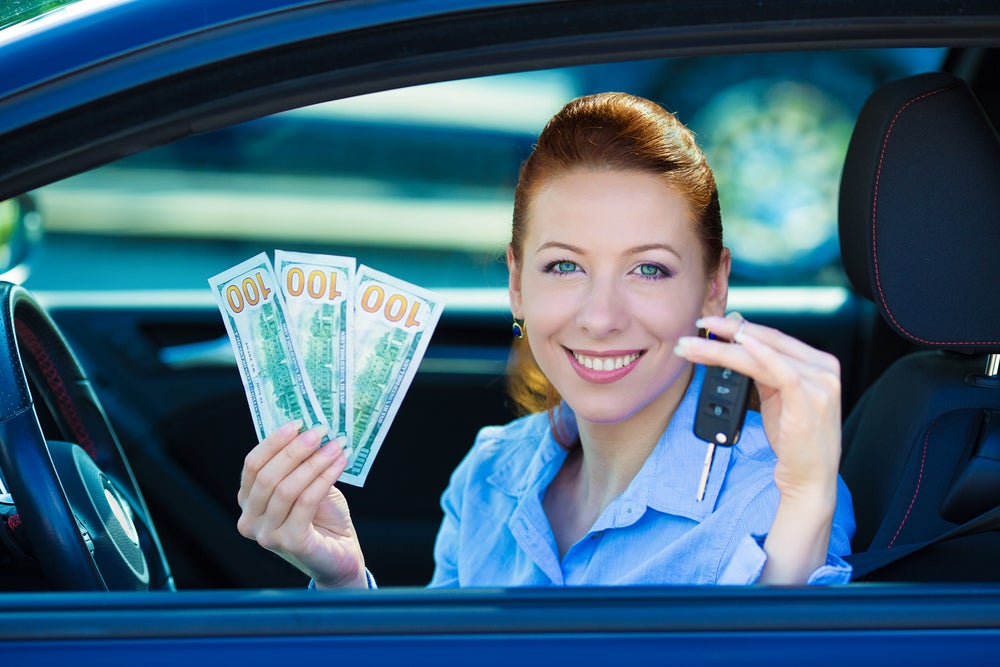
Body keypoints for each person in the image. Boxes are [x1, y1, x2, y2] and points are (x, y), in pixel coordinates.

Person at [237, 92, 855, 589]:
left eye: (649, 269)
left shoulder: (775, 495)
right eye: (565, 266)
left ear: (713, 287)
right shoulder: (488, 475)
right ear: (516, 284)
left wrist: (805, 501)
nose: (601, 316)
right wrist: (346, 584)